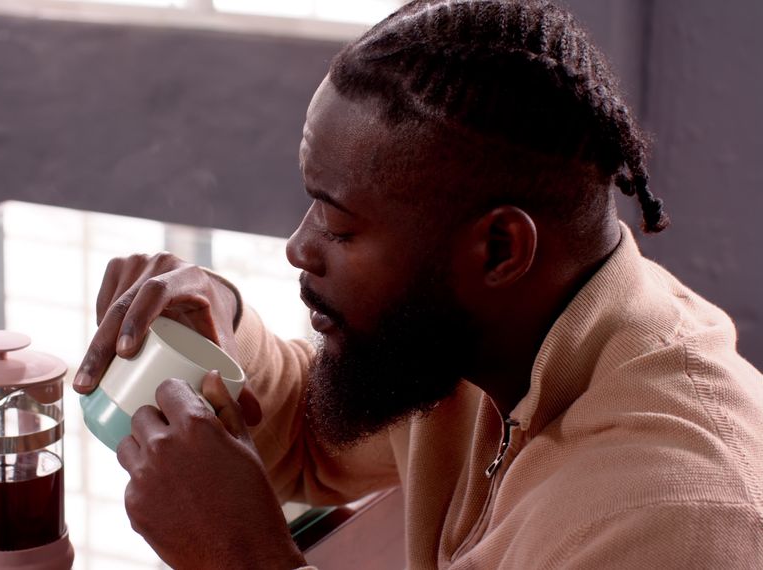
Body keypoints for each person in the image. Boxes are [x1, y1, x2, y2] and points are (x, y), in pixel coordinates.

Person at [73, 0, 763, 568]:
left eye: (341, 228)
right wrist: (220, 319)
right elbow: (313, 441)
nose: (298, 247)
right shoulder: (484, 337)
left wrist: (243, 557)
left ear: (499, 248)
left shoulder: (676, 517)